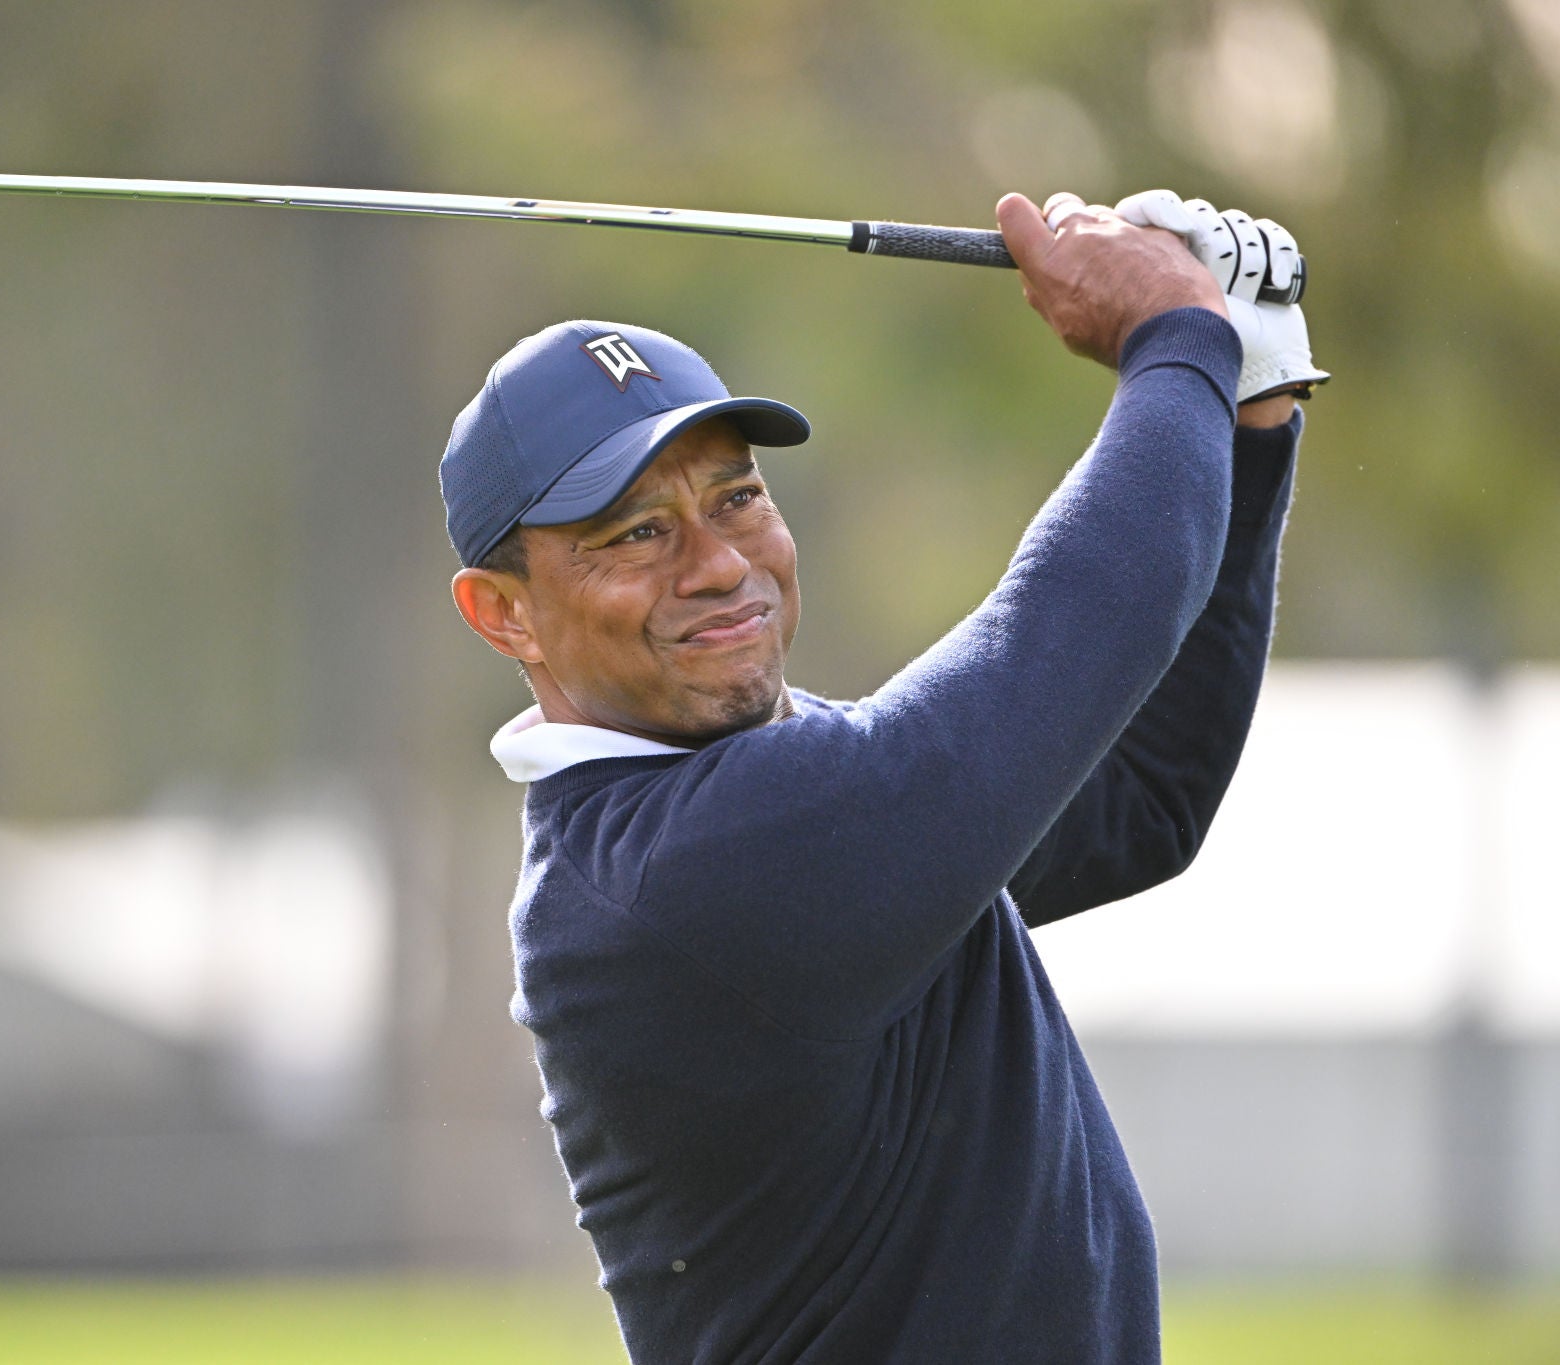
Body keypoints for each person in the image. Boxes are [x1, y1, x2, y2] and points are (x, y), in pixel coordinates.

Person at [436, 189, 1328, 1364]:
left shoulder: (798, 799)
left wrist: (1245, 412)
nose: (719, 564)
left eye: (735, 498)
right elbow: (1068, 639)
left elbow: (1136, 797)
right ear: (503, 614)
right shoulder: (668, 878)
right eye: (634, 533)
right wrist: (1176, 338)